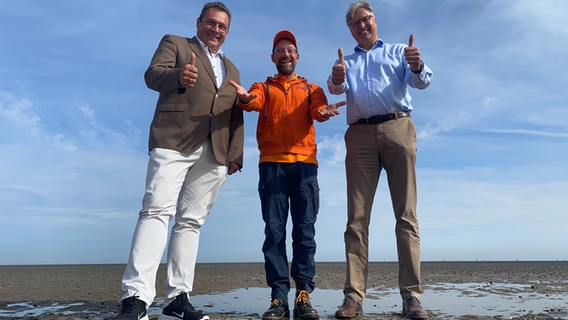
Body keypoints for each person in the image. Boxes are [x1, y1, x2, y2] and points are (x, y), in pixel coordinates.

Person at [114, 2, 244, 320]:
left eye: (222, 26)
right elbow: (152, 75)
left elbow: (235, 111)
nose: (216, 30)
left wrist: (235, 155)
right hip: (173, 140)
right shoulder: (175, 43)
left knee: (191, 222)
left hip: (215, 151)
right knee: (156, 211)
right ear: (199, 22)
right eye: (211, 23)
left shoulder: (233, 69)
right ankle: (136, 297)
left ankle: (177, 298)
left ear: (227, 32)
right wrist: (178, 77)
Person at [327, 1, 433, 319]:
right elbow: (336, 88)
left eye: (366, 19)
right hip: (359, 136)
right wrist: (335, 78)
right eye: (356, 23)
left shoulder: (400, 51)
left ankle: (412, 297)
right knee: (356, 219)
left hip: (399, 127)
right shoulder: (346, 61)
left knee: (406, 215)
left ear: (375, 21)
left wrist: (416, 65)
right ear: (351, 30)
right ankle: (353, 298)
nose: (362, 25)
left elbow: (423, 81)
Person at [229, 30, 345, 320]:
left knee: (305, 232)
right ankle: (278, 297)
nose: (286, 54)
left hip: (305, 165)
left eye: (290, 49)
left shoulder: (311, 88)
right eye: (280, 50)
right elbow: (252, 101)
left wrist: (326, 111)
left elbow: (318, 111)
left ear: (297, 56)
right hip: (272, 166)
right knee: (274, 233)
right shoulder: (263, 86)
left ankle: (303, 295)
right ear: (273, 57)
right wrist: (244, 98)